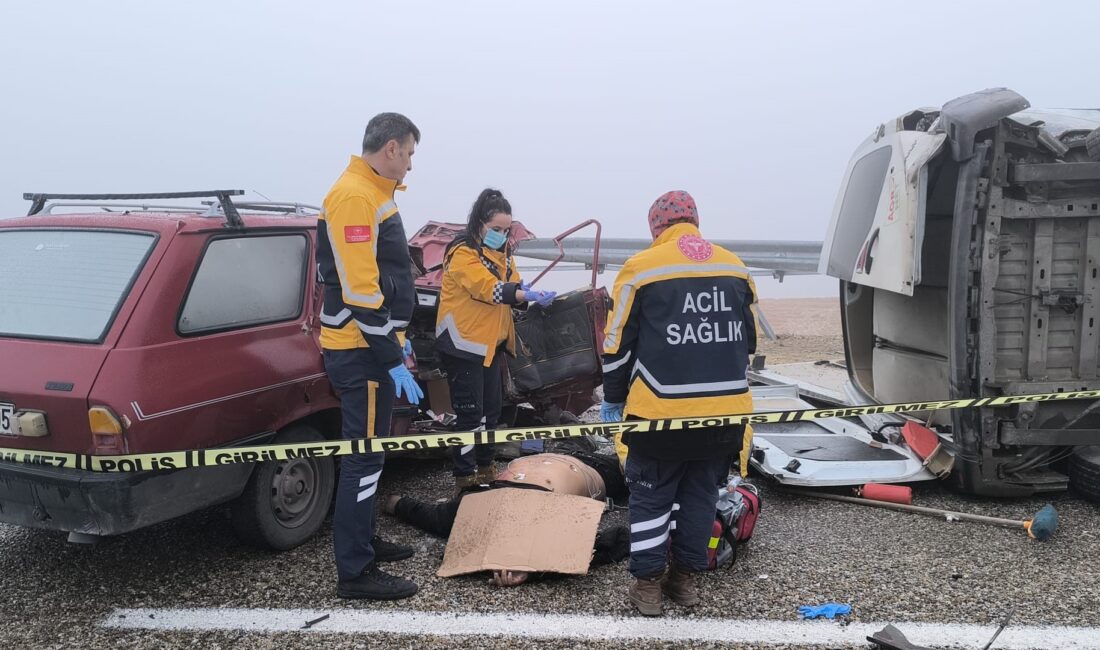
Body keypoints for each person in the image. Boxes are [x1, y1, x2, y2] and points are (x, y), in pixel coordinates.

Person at [600, 190, 759, 616]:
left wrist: (613, 398)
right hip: (725, 418)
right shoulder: (735, 267)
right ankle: (683, 581)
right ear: (695, 221)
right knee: (700, 499)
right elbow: (749, 342)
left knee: (651, 501)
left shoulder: (641, 268)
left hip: (660, 415)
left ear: (656, 226)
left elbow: (616, 344)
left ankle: (648, 587)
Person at [317, 112, 425, 600]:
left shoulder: (373, 193)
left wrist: (397, 343)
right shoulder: (355, 196)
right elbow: (361, 290)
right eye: (409, 155)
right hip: (361, 353)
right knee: (362, 458)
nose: (409, 166)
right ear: (391, 150)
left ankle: (364, 540)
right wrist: (390, 358)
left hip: (372, 348)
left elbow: (384, 280)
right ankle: (355, 572)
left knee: (372, 455)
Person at [434, 188, 556, 491]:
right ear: (479, 223)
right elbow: (486, 288)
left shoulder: (503, 255)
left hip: (491, 344)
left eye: (506, 230)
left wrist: (527, 294)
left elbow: (512, 286)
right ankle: (465, 476)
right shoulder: (462, 252)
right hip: (462, 343)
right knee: (469, 413)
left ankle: (486, 468)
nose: (501, 235)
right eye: (495, 229)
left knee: (492, 411)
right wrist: (521, 292)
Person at [381, 453, 629, 586]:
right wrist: (534, 572)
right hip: (580, 466)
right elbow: (616, 540)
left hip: (576, 465)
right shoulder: (468, 510)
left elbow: (614, 541)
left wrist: (533, 570)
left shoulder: (464, 511)